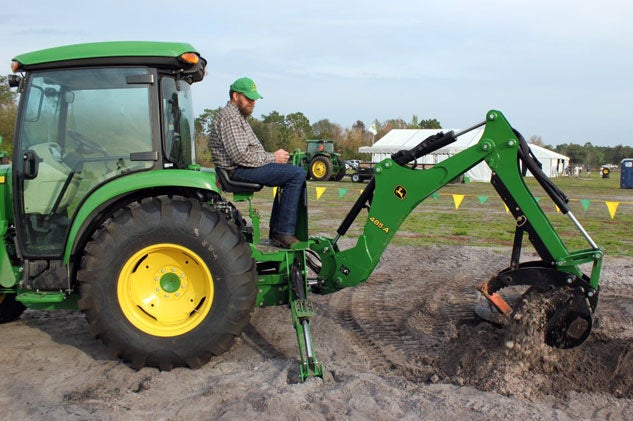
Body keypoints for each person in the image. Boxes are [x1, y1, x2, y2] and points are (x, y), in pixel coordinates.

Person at [209, 77, 306, 248]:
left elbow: (249, 152)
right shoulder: (230, 117)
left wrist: (273, 159)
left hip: (242, 167)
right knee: (296, 175)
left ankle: (278, 231)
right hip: (238, 170)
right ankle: (283, 233)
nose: (252, 102)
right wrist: (273, 158)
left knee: (289, 173)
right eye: (248, 98)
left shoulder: (238, 117)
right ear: (235, 96)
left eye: (254, 99)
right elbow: (241, 156)